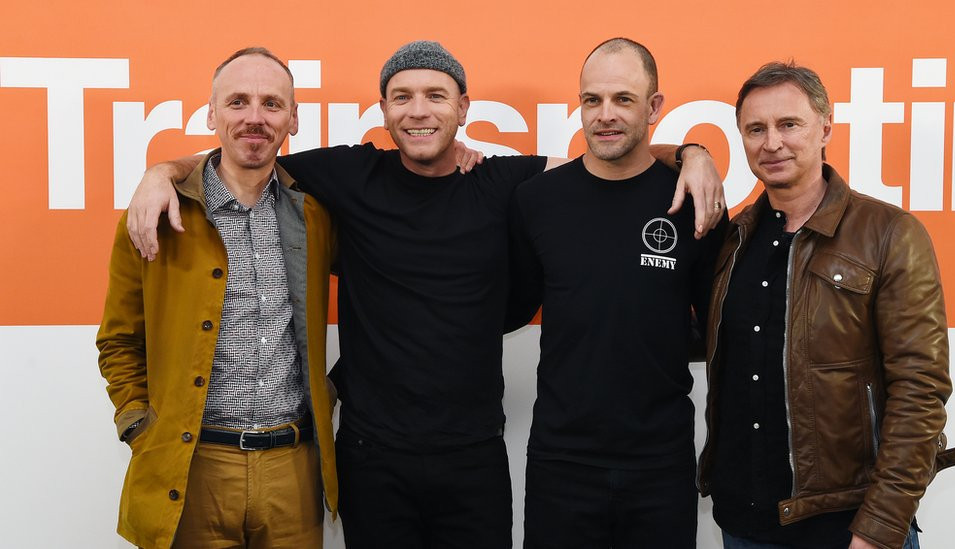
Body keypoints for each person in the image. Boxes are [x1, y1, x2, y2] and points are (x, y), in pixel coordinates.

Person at [123, 40, 725, 548]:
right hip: (371, 455)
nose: (418, 111)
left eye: (436, 96)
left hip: (475, 457)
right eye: (402, 97)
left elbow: (609, 161)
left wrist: (694, 154)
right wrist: (162, 172)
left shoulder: (505, 182)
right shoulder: (350, 176)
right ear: (382, 109)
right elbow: (247, 153)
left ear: (463, 107)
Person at [697, 61, 955, 549]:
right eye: (755, 129)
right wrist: (690, 152)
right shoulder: (732, 241)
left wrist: (880, 526)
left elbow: (920, 391)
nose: (771, 143)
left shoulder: (888, 233)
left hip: (848, 528)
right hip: (743, 525)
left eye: (788, 124)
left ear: (826, 126)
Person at [96, 47, 337, 549]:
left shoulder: (317, 214)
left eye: (272, 104)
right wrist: (140, 425)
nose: (255, 118)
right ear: (210, 113)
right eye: (237, 102)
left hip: (292, 472)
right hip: (191, 470)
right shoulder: (153, 215)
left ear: (293, 118)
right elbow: (119, 339)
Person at [506, 38, 726, 549]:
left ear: (654, 107)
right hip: (561, 463)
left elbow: (717, 327)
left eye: (623, 99)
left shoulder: (694, 202)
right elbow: (511, 306)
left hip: (661, 464)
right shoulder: (536, 200)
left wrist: (695, 152)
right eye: (592, 100)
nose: (605, 115)